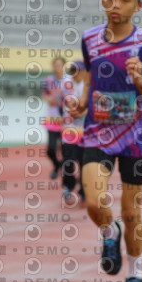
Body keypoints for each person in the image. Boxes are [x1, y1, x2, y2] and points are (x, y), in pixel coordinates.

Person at [69, 0, 142, 282]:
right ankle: (110, 233)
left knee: (131, 211)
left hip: (135, 137)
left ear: (138, 5)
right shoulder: (90, 38)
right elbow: (90, 75)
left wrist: (139, 81)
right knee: (94, 202)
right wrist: (82, 102)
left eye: (124, 0)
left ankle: (136, 276)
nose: (115, 5)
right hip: (97, 132)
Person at [60, 61, 87, 203]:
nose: (77, 73)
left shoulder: (87, 86)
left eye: (80, 70)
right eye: (74, 70)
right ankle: (69, 186)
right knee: (68, 161)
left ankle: (83, 189)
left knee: (84, 162)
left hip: (84, 132)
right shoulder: (66, 84)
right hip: (69, 131)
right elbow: (59, 98)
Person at [41, 57, 65, 179]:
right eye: (55, 65)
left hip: (67, 121)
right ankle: (57, 165)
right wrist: (49, 99)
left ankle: (68, 177)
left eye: (59, 65)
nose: (57, 68)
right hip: (52, 120)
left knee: (67, 150)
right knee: (51, 149)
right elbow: (45, 94)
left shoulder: (69, 81)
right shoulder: (49, 80)